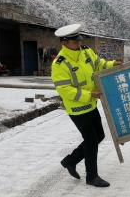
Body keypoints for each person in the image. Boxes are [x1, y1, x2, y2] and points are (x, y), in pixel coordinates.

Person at [51, 23, 120, 188]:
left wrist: (111, 64)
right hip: (77, 109)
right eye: (74, 42)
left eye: (79, 40)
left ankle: (70, 161)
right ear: (64, 42)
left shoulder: (86, 52)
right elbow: (65, 89)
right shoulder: (60, 64)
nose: (78, 44)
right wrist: (89, 94)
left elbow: (98, 63)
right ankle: (92, 176)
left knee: (99, 136)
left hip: (91, 104)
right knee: (90, 140)